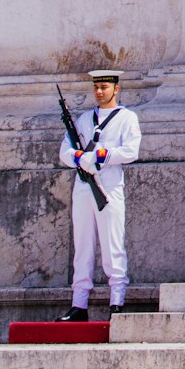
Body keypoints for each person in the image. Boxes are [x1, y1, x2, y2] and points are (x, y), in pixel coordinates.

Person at [57, 68, 141, 322]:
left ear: (116, 89)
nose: (99, 92)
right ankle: (79, 304)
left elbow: (131, 151)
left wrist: (103, 155)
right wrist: (80, 158)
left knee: (112, 243)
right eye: (96, 87)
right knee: (82, 245)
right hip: (84, 186)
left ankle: (117, 300)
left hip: (109, 187)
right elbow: (65, 152)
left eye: (104, 87)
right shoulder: (84, 119)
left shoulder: (127, 118)